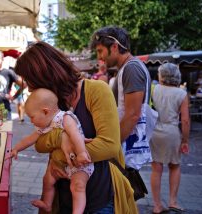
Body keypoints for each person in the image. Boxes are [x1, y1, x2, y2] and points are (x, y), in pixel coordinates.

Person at [14, 41, 137, 214]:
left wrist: (60, 157)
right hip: (63, 196)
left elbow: (109, 145)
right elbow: (40, 143)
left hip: (98, 198)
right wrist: (62, 138)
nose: (29, 88)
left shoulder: (96, 90)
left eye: (29, 80)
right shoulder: (52, 100)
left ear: (43, 75)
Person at [9, 88, 93, 213]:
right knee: (47, 180)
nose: (31, 121)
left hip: (79, 163)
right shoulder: (45, 125)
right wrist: (16, 149)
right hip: (61, 164)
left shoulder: (65, 118)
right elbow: (30, 139)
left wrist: (81, 153)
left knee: (78, 187)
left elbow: (76, 135)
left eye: (32, 117)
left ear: (45, 111)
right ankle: (47, 203)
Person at [90, 26, 152, 170]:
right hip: (123, 148)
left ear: (114, 47)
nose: (99, 57)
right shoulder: (127, 68)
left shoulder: (132, 69)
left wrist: (111, 146)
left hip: (124, 151)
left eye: (100, 51)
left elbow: (132, 115)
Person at [149, 63, 190, 214]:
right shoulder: (181, 94)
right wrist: (185, 140)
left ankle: (157, 205)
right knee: (175, 166)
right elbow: (185, 121)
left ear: (161, 75)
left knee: (156, 169)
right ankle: (173, 201)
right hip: (172, 131)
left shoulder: (154, 89)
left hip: (155, 131)